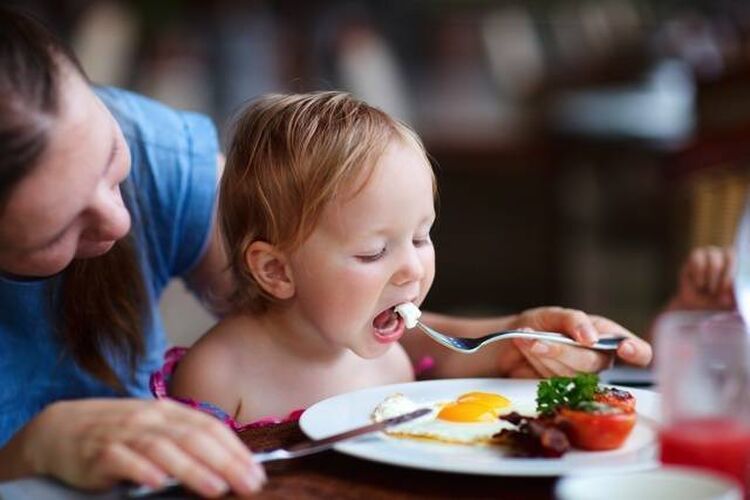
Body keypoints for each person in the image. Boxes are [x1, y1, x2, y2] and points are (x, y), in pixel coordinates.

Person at [0, 6, 651, 497]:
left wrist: (502, 338)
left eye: (115, 164)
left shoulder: (158, 153)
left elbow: (322, 319)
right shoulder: (218, 378)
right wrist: (29, 449)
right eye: (57, 230)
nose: (119, 220)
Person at [157, 92, 651, 426]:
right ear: (277, 270)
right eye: (374, 251)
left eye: (420, 238)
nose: (413, 269)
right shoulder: (218, 377)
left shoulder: (393, 358)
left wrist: (535, 341)